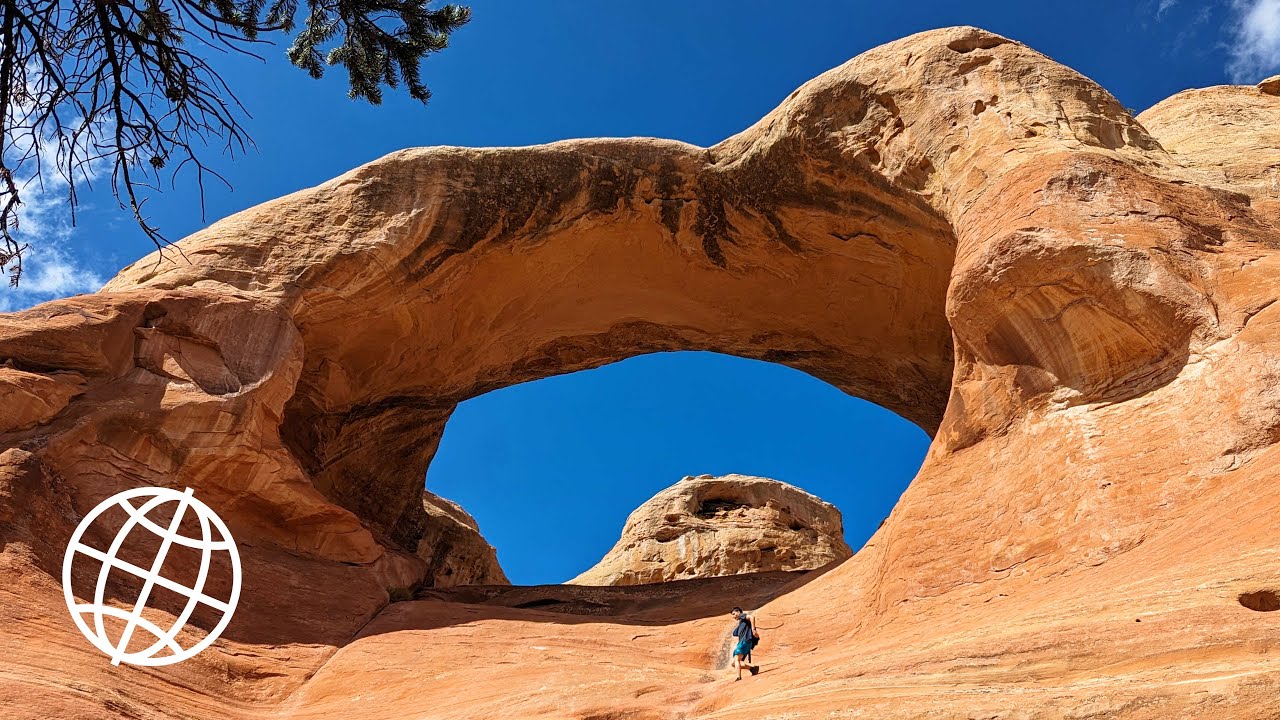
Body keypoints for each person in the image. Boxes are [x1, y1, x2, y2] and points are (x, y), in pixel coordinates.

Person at [729, 606, 759, 680]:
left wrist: (753, 629)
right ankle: (752, 668)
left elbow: (751, 617)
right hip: (743, 642)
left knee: (736, 659)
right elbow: (735, 633)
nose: (733, 616)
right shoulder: (741, 622)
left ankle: (738, 677)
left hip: (745, 641)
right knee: (733, 663)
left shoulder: (742, 616)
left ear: (738, 612)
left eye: (734, 614)